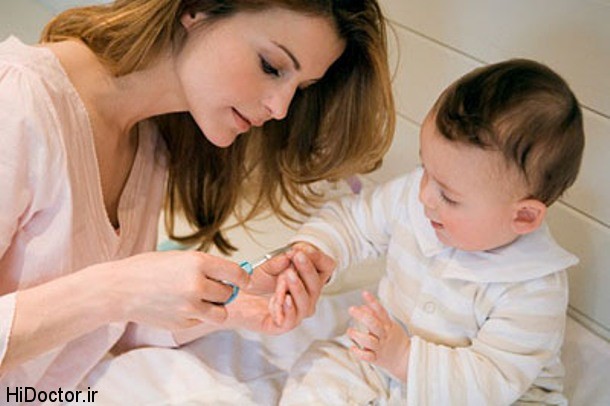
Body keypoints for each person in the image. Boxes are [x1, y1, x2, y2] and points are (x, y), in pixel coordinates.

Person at [0, 0, 395, 393]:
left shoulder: (149, 144)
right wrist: (120, 288)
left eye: (301, 88)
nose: (280, 108)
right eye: (271, 66)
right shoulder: (18, 103)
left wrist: (233, 298)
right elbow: (110, 299)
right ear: (197, 8)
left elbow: (96, 333)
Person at [275, 59, 585, 405]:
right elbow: (353, 222)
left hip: (487, 396)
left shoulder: (534, 287)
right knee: (319, 372)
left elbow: (491, 383)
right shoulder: (416, 196)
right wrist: (315, 251)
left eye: (449, 196)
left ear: (523, 217)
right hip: (384, 355)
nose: (424, 196)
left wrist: (405, 358)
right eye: (425, 169)